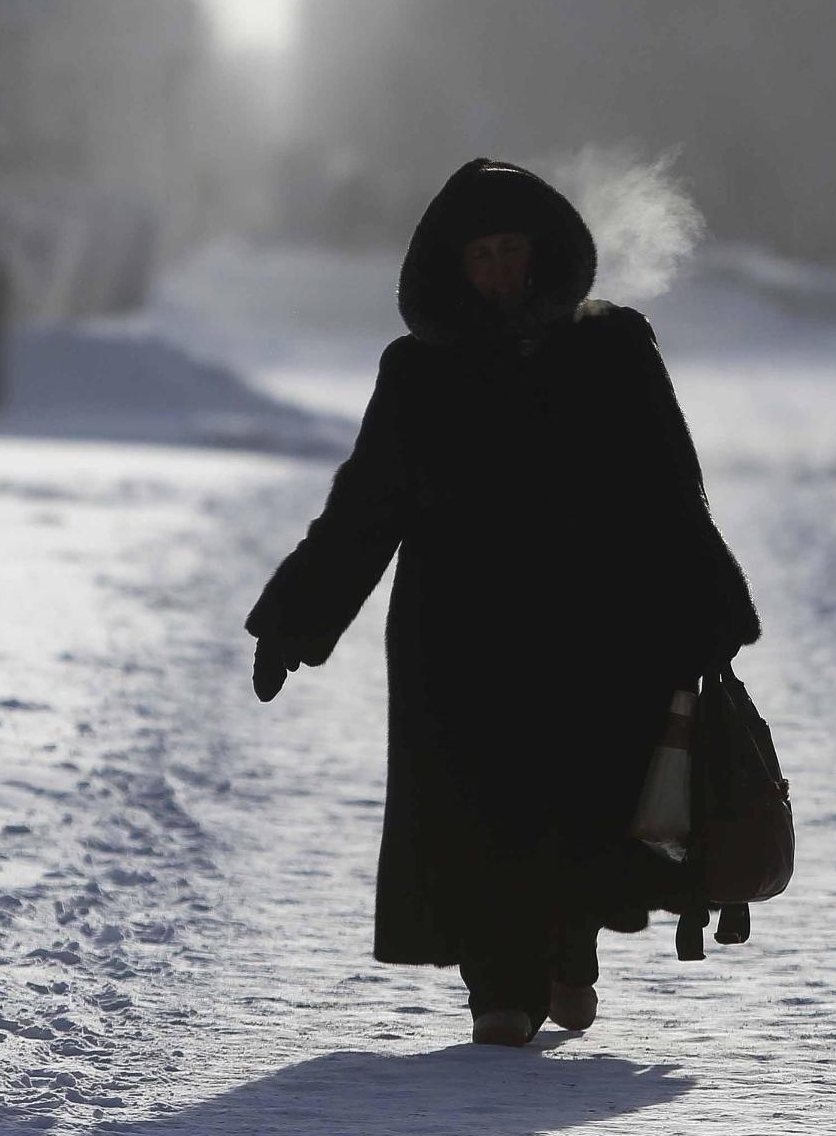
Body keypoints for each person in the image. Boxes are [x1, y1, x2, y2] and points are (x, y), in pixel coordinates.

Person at [246, 157, 762, 1047]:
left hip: (595, 629)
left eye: (511, 247)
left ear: (543, 248)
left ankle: (567, 950)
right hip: (460, 637)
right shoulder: (418, 372)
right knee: (476, 810)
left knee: (579, 802)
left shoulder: (612, 346)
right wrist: (296, 617)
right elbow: (368, 505)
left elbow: (670, 487)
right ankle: (499, 990)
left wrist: (708, 606)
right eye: (480, 252)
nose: (498, 269)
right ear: (451, 264)